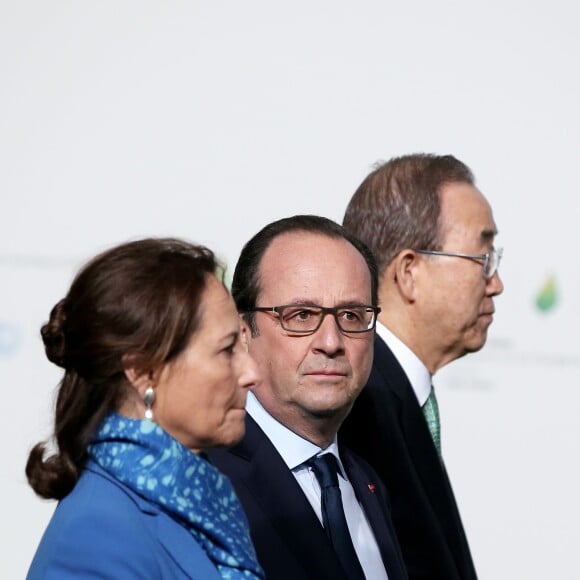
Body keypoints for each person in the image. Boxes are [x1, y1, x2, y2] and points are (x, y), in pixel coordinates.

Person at [26, 238, 264, 579]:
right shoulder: (95, 538)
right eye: (227, 351)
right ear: (143, 371)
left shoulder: (197, 498)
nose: (251, 373)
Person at [208, 215, 408, 580]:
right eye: (301, 316)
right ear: (242, 332)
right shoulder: (204, 482)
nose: (331, 342)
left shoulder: (366, 481)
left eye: (351, 315)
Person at [339, 153, 504, 579]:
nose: (497, 283)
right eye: (482, 258)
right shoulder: (356, 405)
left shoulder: (396, 394)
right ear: (409, 272)